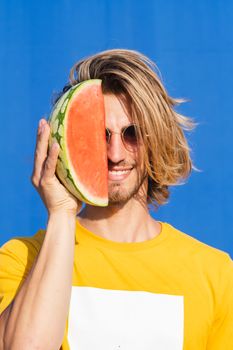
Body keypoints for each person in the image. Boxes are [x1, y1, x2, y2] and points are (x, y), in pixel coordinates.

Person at [0, 49, 232, 350]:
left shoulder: (215, 273)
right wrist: (61, 213)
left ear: (157, 138)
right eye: (99, 135)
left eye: (132, 134)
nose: (115, 154)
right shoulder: (23, 260)